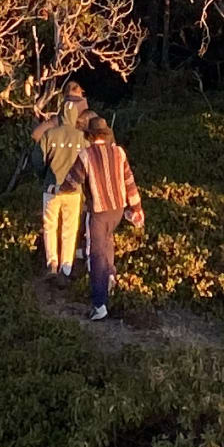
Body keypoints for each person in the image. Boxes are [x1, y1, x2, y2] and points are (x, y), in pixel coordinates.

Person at [63, 116, 143, 321]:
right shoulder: (119, 152)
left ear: (90, 136)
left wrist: (60, 190)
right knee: (108, 244)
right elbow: (129, 182)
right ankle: (111, 280)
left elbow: (73, 180)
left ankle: (99, 304)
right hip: (117, 210)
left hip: (98, 212)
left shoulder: (85, 155)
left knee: (96, 254)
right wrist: (136, 208)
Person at [32, 81, 91, 282]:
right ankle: (67, 268)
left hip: (51, 188)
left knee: (49, 226)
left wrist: (44, 177)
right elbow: (87, 164)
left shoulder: (49, 134)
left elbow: (37, 161)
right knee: (69, 228)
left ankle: (52, 264)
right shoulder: (82, 137)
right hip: (73, 192)